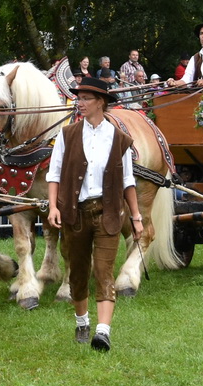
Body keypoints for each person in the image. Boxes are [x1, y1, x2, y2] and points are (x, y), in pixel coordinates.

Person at [45, 76, 144, 353]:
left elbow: (128, 181)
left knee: (103, 272)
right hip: (75, 215)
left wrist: (136, 217)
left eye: (86, 98)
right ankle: (81, 321)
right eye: (79, 97)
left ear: (101, 102)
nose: (80, 102)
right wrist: (54, 206)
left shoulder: (119, 138)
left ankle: (103, 332)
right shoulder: (67, 134)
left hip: (108, 213)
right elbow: (53, 174)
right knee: (77, 273)